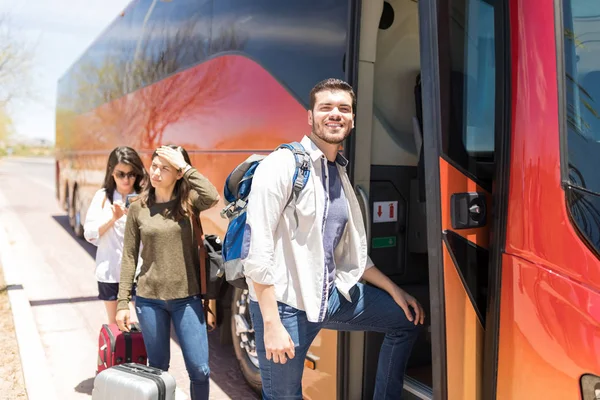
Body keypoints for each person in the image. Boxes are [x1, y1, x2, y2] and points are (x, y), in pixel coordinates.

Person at [243, 78, 425, 399]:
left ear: (353, 119)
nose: (335, 114)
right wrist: (271, 324)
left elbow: (349, 254)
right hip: (287, 308)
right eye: (326, 107)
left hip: (329, 299)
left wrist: (395, 290)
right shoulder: (282, 165)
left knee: (405, 322)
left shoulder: (338, 171)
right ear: (310, 117)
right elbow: (257, 254)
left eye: (344, 108)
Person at [115, 145, 220, 400]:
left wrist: (186, 168)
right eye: (154, 166)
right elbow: (129, 255)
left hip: (187, 298)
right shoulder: (138, 207)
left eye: (165, 167)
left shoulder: (190, 203)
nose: (157, 172)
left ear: (178, 173)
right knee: (158, 370)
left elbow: (213, 195)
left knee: (200, 369)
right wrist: (123, 302)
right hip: (149, 300)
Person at [84, 146, 147, 324]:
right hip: (110, 272)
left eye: (131, 174)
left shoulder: (145, 198)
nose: (126, 180)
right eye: (121, 174)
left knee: (147, 326)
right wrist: (113, 218)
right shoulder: (103, 197)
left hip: (141, 273)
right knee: (115, 326)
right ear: (111, 172)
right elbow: (90, 234)